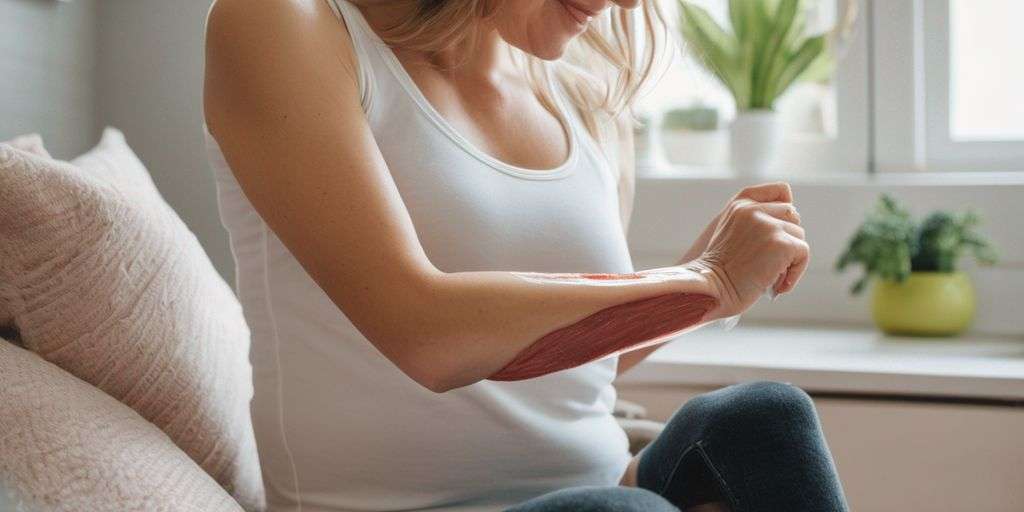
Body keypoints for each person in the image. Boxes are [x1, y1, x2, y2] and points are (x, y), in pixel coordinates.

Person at [203, 0, 847, 510]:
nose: (623, 3)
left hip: (602, 488)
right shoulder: (285, 21)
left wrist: (697, 284)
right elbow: (424, 336)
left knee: (766, 419)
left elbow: (570, 360)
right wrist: (703, 280)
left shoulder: (580, 92)